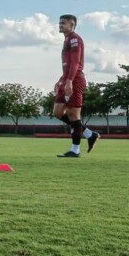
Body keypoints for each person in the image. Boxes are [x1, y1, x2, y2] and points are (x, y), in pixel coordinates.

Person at [51, 14, 99, 157]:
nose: (60, 25)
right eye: (59, 23)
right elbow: (68, 65)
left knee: (73, 115)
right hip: (66, 79)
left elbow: (76, 63)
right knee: (57, 112)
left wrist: (70, 81)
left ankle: (75, 150)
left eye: (63, 23)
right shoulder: (67, 39)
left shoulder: (75, 39)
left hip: (75, 79)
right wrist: (61, 79)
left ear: (72, 25)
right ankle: (89, 134)